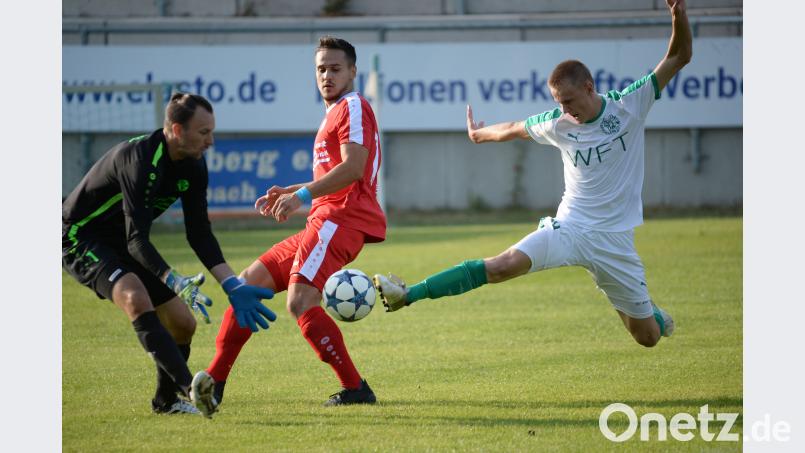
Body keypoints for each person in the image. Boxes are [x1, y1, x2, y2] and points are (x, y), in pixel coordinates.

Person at [374, 0, 692, 348]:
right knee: (501, 266)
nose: (564, 109)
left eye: (568, 100)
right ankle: (408, 294)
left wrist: (678, 15)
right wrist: (479, 135)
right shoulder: (558, 123)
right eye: (558, 102)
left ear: (589, 87)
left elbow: (678, 57)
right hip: (569, 227)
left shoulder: (629, 104)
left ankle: (650, 313)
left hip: (615, 241)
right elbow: (514, 127)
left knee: (647, 338)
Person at [62, 93, 277, 418]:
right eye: (204, 133)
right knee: (135, 298)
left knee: (182, 323)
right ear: (177, 130)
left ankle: (166, 402)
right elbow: (137, 239)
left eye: (211, 132)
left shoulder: (194, 165)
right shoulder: (138, 160)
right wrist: (173, 280)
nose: (211, 141)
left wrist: (231, 284)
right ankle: (192, 389)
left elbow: (199, 234)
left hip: (123, 241)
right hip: (80, 236)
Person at [198, 36, 386, 408]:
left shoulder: (352, 105)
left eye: (335, 68)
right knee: (249, 283)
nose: (327, 76)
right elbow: (339, 175)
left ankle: (355, 389)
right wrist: (294, 189)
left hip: (340, 221)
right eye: (321, 69)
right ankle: (213, 383)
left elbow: (354, 169)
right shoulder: (335, 112)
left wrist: (301, 196)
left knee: (300, 301)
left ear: (352, 71)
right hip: (326, 220)